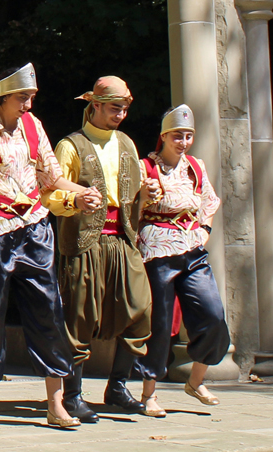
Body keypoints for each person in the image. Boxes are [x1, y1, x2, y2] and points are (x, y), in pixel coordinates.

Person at [0, 63, 102, 430]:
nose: (29, 106)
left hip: (35, 228)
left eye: (32, 98)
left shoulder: (34, 128)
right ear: (3, 97)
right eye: (23, 98)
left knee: (49, 311)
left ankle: (56, 403)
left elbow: (51, 177)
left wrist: (82, 194)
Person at [43, 76, 155, 423]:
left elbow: (133, 196)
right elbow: (48, 194)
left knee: (140, 310)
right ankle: (73, 395)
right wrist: (73, 199)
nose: (120, 115)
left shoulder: (126, 144)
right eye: (113, 108)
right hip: (84, 243)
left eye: (123, 109)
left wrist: (148, 196)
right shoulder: (71, 145)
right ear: (94, 106)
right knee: (79, 317)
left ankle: (118, 387)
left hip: (121, 239)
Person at [133, 104, 230, 417]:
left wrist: (205, 228)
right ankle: (149, 393)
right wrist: (143, 199)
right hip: (157, 250)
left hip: (191, 248)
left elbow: (209, 202)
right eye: (177, 135)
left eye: (188, 135)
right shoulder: (145, 166)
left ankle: (196, 380)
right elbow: (127, 208)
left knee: (212, 314)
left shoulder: (195, 167)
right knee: (160, 323)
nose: (183, 141)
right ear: (164, 135)